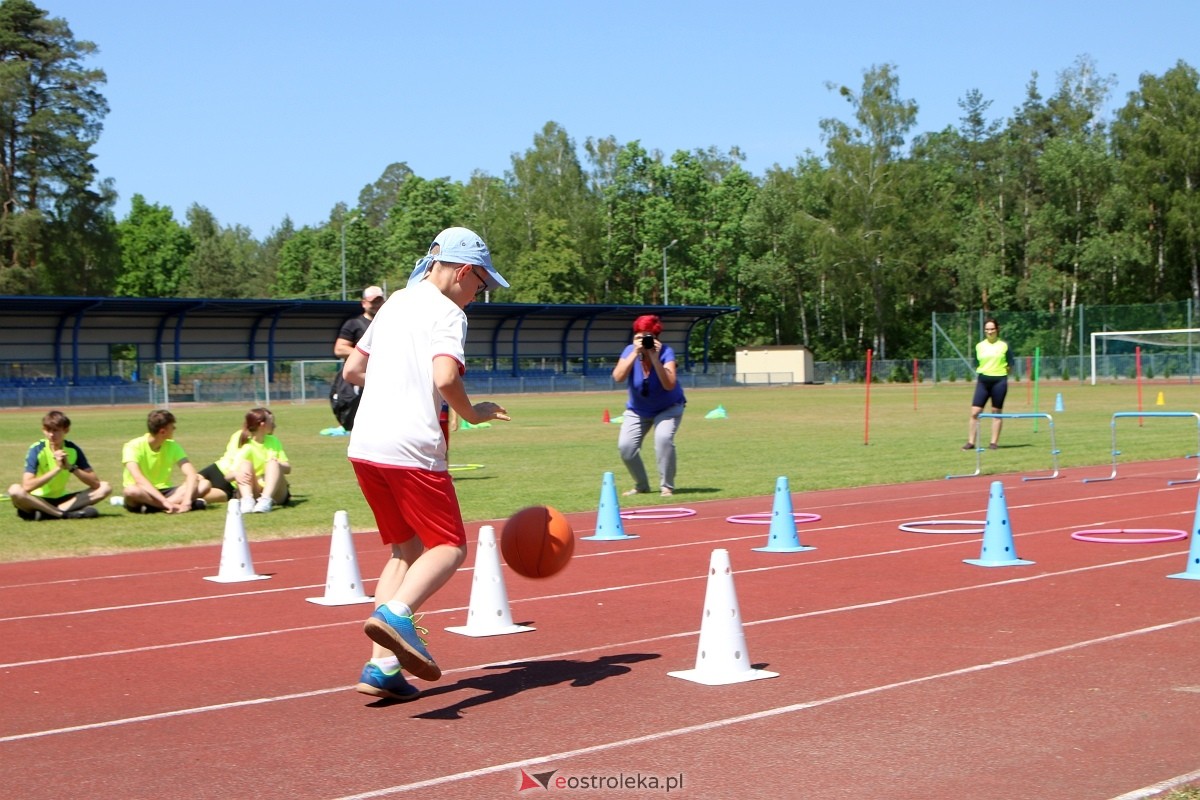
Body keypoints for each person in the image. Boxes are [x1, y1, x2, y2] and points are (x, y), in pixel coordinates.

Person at [344, 226, 510, 702]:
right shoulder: (448, 312)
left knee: (404, 549)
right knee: (450, 547)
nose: (479, 295)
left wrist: (395, 378)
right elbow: (443, 376)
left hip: (366, 445)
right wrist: (472, 413)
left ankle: (382, 668)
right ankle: (397, 615)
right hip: (412, 448)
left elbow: (353, 370)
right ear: (462, 270)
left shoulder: (396, 301)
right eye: (480, 284)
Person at [611, 314, 686, 497]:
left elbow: (669, 384)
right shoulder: (629, 350)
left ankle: (666, 486)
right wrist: (635, 353)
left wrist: (654, 357)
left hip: (668, 407)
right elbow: (618, 377)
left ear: (656, 338)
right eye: (638, 336)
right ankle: (641, 485)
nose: (642, 340)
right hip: (638, 410)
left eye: (647, 336)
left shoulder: (666, 352)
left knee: (663, 439)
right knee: (626, 448)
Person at [7, 410, 111, 520]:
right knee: (15, 490)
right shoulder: (37, 449)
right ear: (43, 430)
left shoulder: (73, 449)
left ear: (66, 430)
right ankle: (62, 514)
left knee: (105, 487)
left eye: (56, 430)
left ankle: (47, 513)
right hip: (37, 499)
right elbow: (27, 486)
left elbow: (95, 484)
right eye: (48, 430)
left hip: (62, 499)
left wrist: (71, 467)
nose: (51, 435)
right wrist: (57, 469)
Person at [199, 407, 290, 513]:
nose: (274, 425)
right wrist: (237, 474)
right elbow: (228, 476)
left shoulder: (274, 441)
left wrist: (277, 464)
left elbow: (288, 469)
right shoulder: (247, 446)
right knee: (245, 464)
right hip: (254, 488)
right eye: (271, 421)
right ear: (262, 425)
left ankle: (266, 500)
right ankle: (248, 501)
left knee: (272, 463)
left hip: (276, 492)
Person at [121, 409, 210, 513]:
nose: (175, 429)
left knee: (204, 484)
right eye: (172, 427)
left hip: (165, 491)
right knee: (131, 491)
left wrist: (187, 501)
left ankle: (153, 508)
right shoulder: (132, 446)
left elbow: (191, 474)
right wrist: (164, 502)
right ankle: (169, 505)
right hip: (143, 491)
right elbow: (138, 479)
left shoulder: (172, 445)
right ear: (162, 431)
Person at [330, 285, 385, 431]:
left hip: (383, 377)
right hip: (360, 379)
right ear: (364, 303)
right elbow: (339, 348)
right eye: (372, 301)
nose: (376, 305)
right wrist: (367, 353)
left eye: (379, 301)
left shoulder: (389, 323)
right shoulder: (354, 324)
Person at [963, 317, 1015, 451]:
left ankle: (993, 443)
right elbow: (977, 363)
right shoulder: (979, 346)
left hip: (999, 381)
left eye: (992, 329)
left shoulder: (1004, 345)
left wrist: (1001, 374)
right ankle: (971, 442)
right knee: (975, 411)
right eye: (987, 329)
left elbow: (1010, 364)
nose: (990, 331)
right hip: (983, 381)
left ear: (997, 330)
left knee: (996, 412)